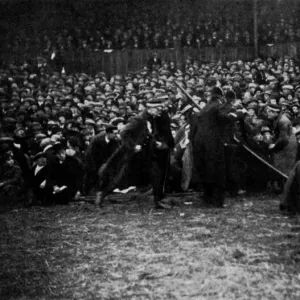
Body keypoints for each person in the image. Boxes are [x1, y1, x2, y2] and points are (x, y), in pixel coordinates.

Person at [95, 97, 174, 209]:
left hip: (147, 154)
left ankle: (158, 201)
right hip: (134, 156)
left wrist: (155, 143)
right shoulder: (138, 119)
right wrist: (133, 146)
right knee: (120, 179)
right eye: (158, 108)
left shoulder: (152, 118)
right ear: (150, 108)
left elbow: (147, 134)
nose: (160, 111)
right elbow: (124, 133)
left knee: (157, 174)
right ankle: (101, 196)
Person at [191, 87, 247, 207]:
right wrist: (240, 114)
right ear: (221, 97)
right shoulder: (217, 106)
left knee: (206, 170)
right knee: (217, 171)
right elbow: (227, 118)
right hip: (212, 142)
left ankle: (207, 198)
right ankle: (217, 201)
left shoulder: (205, 108)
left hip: (199, 141)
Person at [83, 124, 120, 195]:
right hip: (93, 161)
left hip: (105, 162)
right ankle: (87, 192)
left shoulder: (114, 141)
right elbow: (91, 155)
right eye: (114, 133)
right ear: (108, 133)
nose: (116, 135)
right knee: (91, 178)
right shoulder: (96, 140)